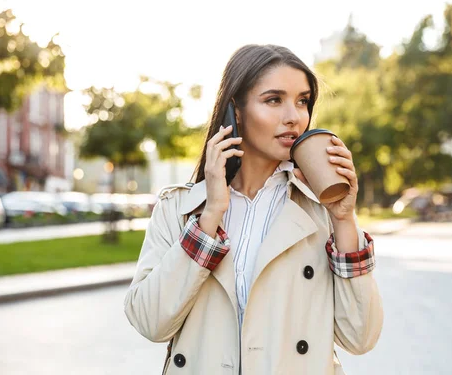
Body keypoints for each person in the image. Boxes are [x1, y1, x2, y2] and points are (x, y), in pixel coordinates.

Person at [124, 44, 383, 374]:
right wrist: (212, 213)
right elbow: (150, 322)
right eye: (274, 100)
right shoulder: (179, 209)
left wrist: (344, 219)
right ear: (236, 111)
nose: (294, 116)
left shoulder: (322, 213)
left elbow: (360, 338)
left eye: (302, 101)